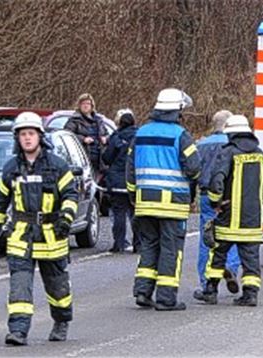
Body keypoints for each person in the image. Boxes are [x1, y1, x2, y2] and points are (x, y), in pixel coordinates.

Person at [0, 112, 79, 346]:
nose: (27, 138)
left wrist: (66, 219)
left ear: (40, 136)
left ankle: (61, 321)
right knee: (19, 286)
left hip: (52, 235)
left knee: (58, 287)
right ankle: (18, 330)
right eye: (23, 134)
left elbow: (70, 195)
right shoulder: (11, 168)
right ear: (17, 138)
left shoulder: (58, 166)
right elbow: (0, 202)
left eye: (31, 134)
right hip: (21, 236)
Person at [127, 88, 201, 311]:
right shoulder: (181, 135)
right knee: (171, 249)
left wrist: (134, 195)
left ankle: (143, 291)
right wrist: (192, 186)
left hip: (144, 202)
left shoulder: (140, 133)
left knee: (149, 245)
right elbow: (194, 167)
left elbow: (130, 170)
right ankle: (166, 298)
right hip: (172, 204)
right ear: (177, 110)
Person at [197, 115, 263, 306]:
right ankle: (250, 294)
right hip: (252, 218)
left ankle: (210, 291)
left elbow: (217, 181)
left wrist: (215, 203)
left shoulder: (228, 152)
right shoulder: (261, 154)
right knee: (251, 259)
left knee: (218, 254)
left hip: (229, 217)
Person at [192, 110, 241, 302]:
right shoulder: (233, 146)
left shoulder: (201, 145)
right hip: (230, 198)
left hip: (206, 196)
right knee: (232, 234)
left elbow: (193, 170)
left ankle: (206, 283)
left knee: (207, 238)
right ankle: (231, 267)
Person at [102, 109, 138, 253]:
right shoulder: (140, 136)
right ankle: (138, 244)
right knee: (135, 213)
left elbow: (107, 158)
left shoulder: (116, 137)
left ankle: (119, 244)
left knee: (119, 213)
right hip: (135, 179)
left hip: (117, 181)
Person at [64, 93, 109, 175]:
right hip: (83, 159)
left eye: (88, 103)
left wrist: (105, 138)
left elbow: (107, 134)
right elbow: (67, 135)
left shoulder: (99, 121)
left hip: (99, 161)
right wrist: (83, 139)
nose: (85, 106)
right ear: (79, 105)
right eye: (83, 103)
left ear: (92, 106)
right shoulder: (74, 120)